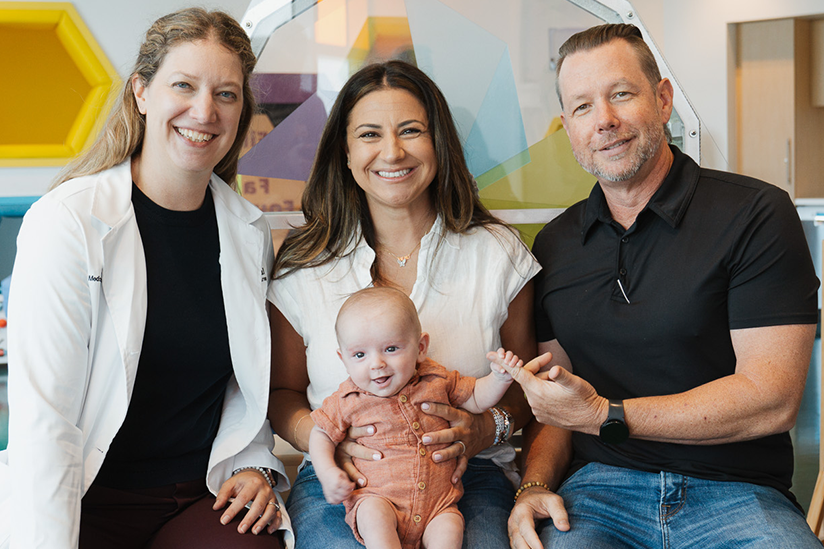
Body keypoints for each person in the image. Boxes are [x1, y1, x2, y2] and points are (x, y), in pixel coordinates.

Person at [505, 23, 822, 549]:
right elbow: (559, 406)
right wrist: (534, 486)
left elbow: (772, 399)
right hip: (598, 495)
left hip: (738, 494)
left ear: (663, 98)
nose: (604, 120)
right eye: (582, 107)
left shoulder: (756, 214)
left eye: (621, 94)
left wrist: (606, 416)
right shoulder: (556, 244)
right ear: (567, 127)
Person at [0, 8, 293, 549]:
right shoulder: (67, 223)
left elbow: (242, 381)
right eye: (183, 85)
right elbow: (48, 422)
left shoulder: (249, 231)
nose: (204, 111)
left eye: (226, 94)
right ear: (141, 91)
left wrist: (254, 463)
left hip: (199, 493)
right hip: (86, 494)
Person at [267, 60, 541, 549]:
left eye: (411, 130)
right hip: (347, 479)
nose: (392, 151)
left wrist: (486, 428)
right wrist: (329, 441)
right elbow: (281, 393)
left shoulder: (497, 253)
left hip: (466, 477)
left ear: (438, 145)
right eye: (369, 134)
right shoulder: (304, 264)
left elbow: (527, 387)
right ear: (345, 154)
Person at [309, 287, 521, 549]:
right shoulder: (348, 399)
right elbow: (320, 433)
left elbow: (476, 398)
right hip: (378, 499)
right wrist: (327, 471)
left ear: (420, 347)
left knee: (451, 527)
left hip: (438, 506)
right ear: (344, 359)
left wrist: (499, 378)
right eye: (360, 355)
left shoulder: (437, 380)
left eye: (391, 348)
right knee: (373, 516)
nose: (376, 364)